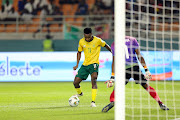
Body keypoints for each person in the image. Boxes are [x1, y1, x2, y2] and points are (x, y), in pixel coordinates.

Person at [102, 36, 169, 112]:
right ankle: (160, 103)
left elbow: (114, 62)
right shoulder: (132, 40)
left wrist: (112, 77)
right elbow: (139, 55)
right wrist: (146, 69)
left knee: (116, 88)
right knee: (146, 86)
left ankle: (113, 101)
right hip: (135, 67)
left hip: (123, 69)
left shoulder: (114, 43)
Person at [73, 28, 112, 107]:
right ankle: (80, 93)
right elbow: (79, 52)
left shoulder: (98, 40)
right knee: (76, 82)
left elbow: (106, 45)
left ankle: (93, 102)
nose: (87, 39)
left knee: (94, 78)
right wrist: (77, 64)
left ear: (91, 34)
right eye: (85, 37)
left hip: (94, 64)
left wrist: (112, 52)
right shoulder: (81, 41)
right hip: (85, 65)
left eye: (88, 37)